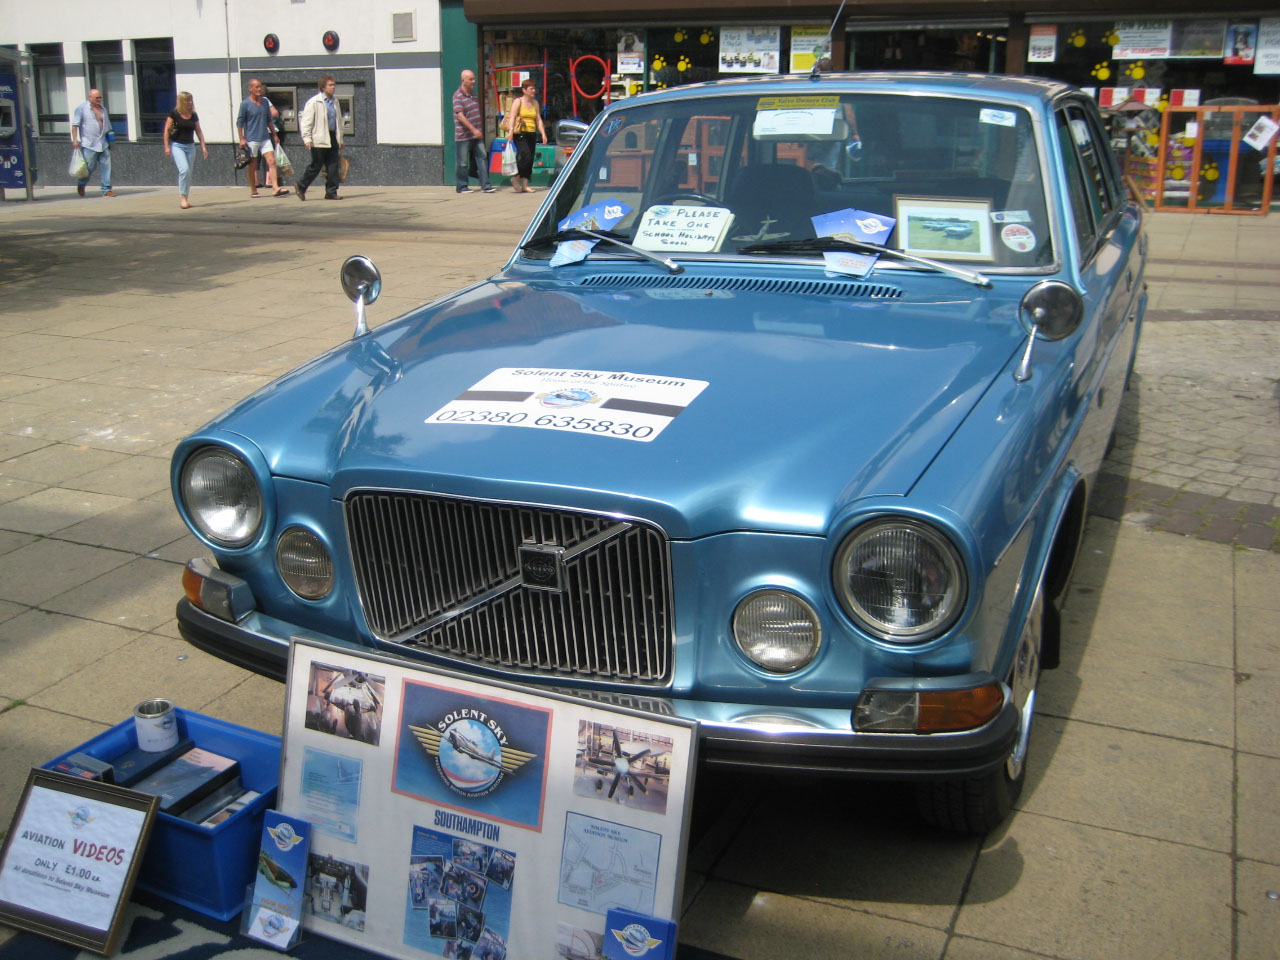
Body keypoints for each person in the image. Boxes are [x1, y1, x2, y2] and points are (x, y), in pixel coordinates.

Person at [296, 75, 345, 201]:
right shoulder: (314, 102)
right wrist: (307, 139)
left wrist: (341, 139)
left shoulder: (335, 102)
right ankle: (301, 186)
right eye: (330, 85)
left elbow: (339, 121)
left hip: (332, 136)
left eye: (334, 85)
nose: (333, 87)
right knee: (316, 165)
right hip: (319, 137)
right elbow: (306, 122)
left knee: (333, 166)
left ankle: (331, 192)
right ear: (323, 87)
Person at [236, 78, 287, 198]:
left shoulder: (264, 102)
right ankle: (253, 189)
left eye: (260, 86)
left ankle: (275, 187)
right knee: (253, 164)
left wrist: (274, 135)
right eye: (256, 87)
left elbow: (269, 120)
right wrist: (242, 138)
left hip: (265, 137)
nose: (259, 89)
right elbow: (240, 122)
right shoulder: (245, 104)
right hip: (251, 139)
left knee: (272, 161)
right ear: (250, 89)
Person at [163, 91, 209, 209]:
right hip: (177, 145)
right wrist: (167, 146)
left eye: (190, 100)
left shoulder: (193, 115)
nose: (189, 102)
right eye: (187, 100)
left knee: (188, 173)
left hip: (190, 146)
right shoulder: (174, 114)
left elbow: (198, 131)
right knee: (184, 170)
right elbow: (167, 130)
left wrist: (203, 147)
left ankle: (185, 199)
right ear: (181, 101)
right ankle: (182, 198)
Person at [453, 69, 495, 193]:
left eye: (474, 79)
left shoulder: (473, 94)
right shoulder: (457, 96)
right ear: (463, 81)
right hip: (464, 136)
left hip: (477, 135)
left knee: (482, 158)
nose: (474, 81)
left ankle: (486, 185)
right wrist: (473, 130)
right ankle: (462, 186)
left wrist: (478, 131)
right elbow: (460, 116)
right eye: (471, 79)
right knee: (463, 163)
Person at [502, 79, 547, 193]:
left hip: (532, 132)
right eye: (531, 89)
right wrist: (511, 132)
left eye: (534, 88)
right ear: (524, 90)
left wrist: (543, 133)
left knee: (531, 158)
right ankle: (516, 177)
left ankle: (525, 185)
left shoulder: (535, 103)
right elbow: (512, 117)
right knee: (525, 155)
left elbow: (538, 119)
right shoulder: (518, 101)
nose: (533, 91)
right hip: (520, 132)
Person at [70, 88, 115, 197]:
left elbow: (108, 126)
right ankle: (81, 183)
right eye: (96, 97)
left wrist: (111, 141)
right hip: (89, 144)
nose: (99, 99)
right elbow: (75, 125)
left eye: (100, 97)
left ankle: (106, 189)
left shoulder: (103, 109)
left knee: (106, 166)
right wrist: (75, 140)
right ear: (90, 98)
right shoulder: (82, 109)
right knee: (89, 167)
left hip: (103, 143)